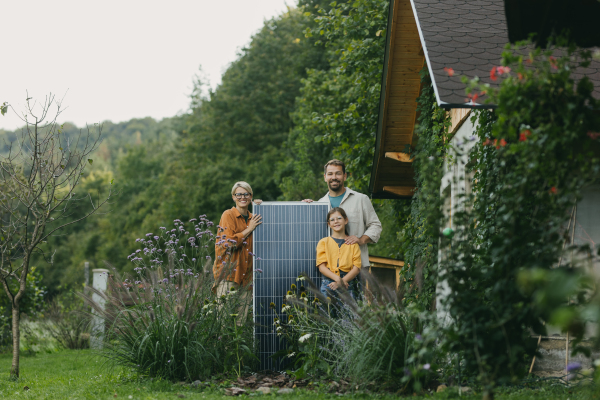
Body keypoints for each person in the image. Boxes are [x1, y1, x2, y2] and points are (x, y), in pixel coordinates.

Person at [304, 159, 382, 270]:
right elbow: (311, 233)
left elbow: (375, 225)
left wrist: (361, 240)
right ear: (325, 177)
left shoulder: (361, 199)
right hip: (330, 268)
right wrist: (303, 208)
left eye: (338, 173)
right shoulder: (319, 204)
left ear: (344, 176)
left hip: (357, 266)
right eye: (330, 174)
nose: (334, 177)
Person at [213, 182, 262, 307]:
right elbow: (228, 243)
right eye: (238, 194)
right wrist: (249, 229)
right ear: (233, 197)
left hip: (247, 279)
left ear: (251, 196)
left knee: (240, 323)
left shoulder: (255, 218)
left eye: (246, 194)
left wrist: (263, 207)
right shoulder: (228, 215)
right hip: (229, 276)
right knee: (223, 321)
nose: (243, 197)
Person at [316, 207, 362, 300]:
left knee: (348, 313)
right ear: (329, 224)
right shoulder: (323, 242)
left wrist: (342, 281)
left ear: (346, 220)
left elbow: (356, 268)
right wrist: (338, 280)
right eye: (332, 220)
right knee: (327, 313)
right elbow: (322, 267)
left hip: (347, 282)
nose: (336, 221)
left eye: (339, 218)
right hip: (328, 283)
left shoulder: (353, 244)